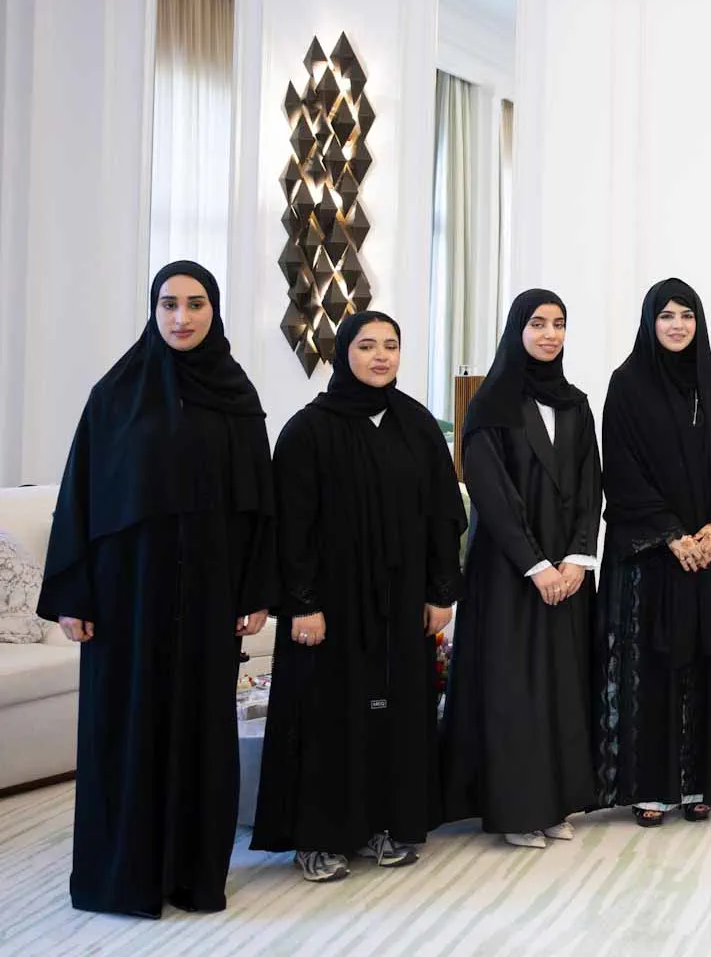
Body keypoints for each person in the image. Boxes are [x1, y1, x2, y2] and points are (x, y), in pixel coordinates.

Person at [36, 262, 275, 917]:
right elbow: (78, 499)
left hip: (207, 597)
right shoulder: (115, 396)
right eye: (169, 304)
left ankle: (193, 877)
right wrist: (75, 596)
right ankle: (121, 877)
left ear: (214, 311)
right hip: (125, 602)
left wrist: (255, 590)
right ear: (153, 309)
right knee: (125, 730)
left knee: (201, 734)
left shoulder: (235, 395)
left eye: (196, 304)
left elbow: (259, 505)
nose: (182, 317)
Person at [251, 311, 466, 883]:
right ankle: (316, 838)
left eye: (391, 346)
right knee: (328, 717)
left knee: (393, 713)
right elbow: (291, 527)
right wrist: (302, 604)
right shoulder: (308, 430)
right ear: (343, 352)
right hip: (330, 609)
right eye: (367, 346)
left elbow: (445, 516)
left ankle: (382, 824)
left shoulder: (417, 426)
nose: (380, 356)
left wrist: (442, 592)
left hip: (401, 605)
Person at [441, 289, 602, 849]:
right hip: (512, 574)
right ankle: (514, 809)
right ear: (517, 330)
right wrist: (537, 565)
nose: (550, 334)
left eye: (559, 324)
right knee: (515, 691)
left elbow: (589, 487)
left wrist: (578, 559)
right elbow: (491, 492)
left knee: (561, 688)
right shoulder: (489, 405)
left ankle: (554, 802)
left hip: (569, 573)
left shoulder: (576, 403)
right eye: (538, 324)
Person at [595, 279, 711, 826]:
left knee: (706, 662)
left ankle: (699, 782)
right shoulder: (627, 384)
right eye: (667, 315)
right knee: (650, 667)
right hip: (651, 558)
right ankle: (651, 787)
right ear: (649, 322)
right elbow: (620, 467)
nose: (678, 325)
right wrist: (670, 535)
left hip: (703, 555)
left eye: (687, 315)